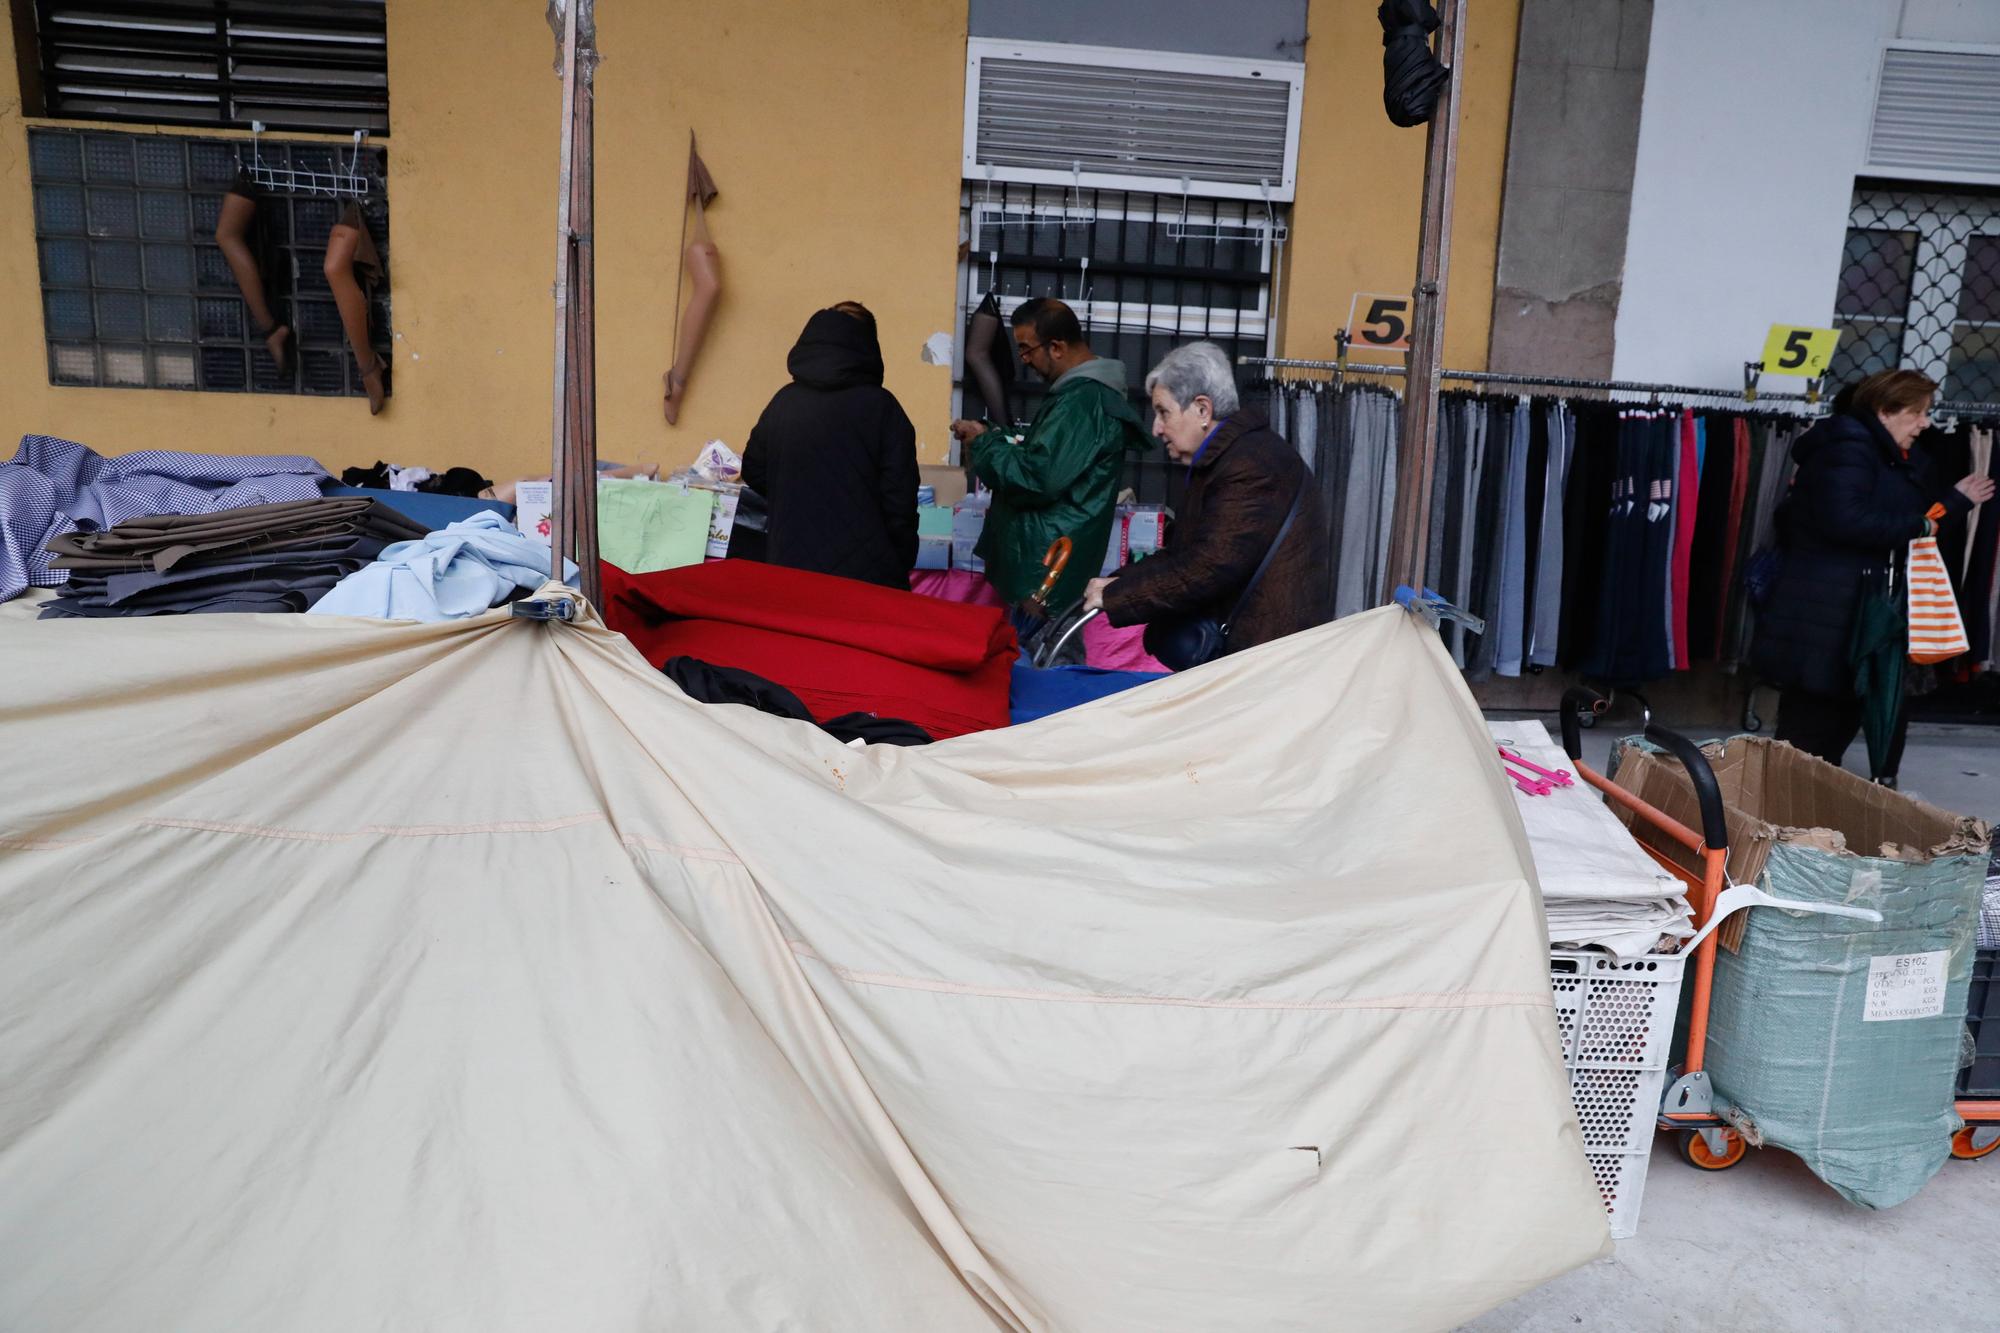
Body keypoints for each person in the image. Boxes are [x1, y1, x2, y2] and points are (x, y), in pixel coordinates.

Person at [1751, 368, 1995, 777]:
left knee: (1831, 732)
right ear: (1885, 410)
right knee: (1807, 736)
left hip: (1851, 614)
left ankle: (1802, 824)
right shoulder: (1849, 449)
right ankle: (1775, 827)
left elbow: (1895, 514)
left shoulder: (1878, 452)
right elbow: (1846, 519)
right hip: (1827, 615)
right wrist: (1924, 524)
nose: (1925, 422)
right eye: (1918, 412)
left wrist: (1945, 509)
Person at [1080, 342, 1332, 663]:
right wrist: (1118, 582)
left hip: (1265, 664)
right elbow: (1184, 555)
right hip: (1255, 656)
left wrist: (1117, 594)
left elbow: (1208, 567)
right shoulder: (1230, 459)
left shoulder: (1251, 466)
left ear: (1202, 409)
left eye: (1163, 412)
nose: (1156, 428)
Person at [950, 298, 1147, 619]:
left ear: (1056, 347)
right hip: (1047, 561)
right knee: (1039, 660)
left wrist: (984, 445)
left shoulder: (1082, 401)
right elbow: (1045, 458)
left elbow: (1036, 476)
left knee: (1046, 662)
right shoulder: (1079, 396)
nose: (1024, 360)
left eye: (1027, 349)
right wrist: (994, 437)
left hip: (1047, 568)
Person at [741, 302, 919, 589]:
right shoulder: (883, 408)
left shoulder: (784, 402)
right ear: (868, 345)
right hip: (868, 575)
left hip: (790, 564)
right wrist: (901, 558)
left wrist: (796, 497)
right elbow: (900, 498)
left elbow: (753, 468)